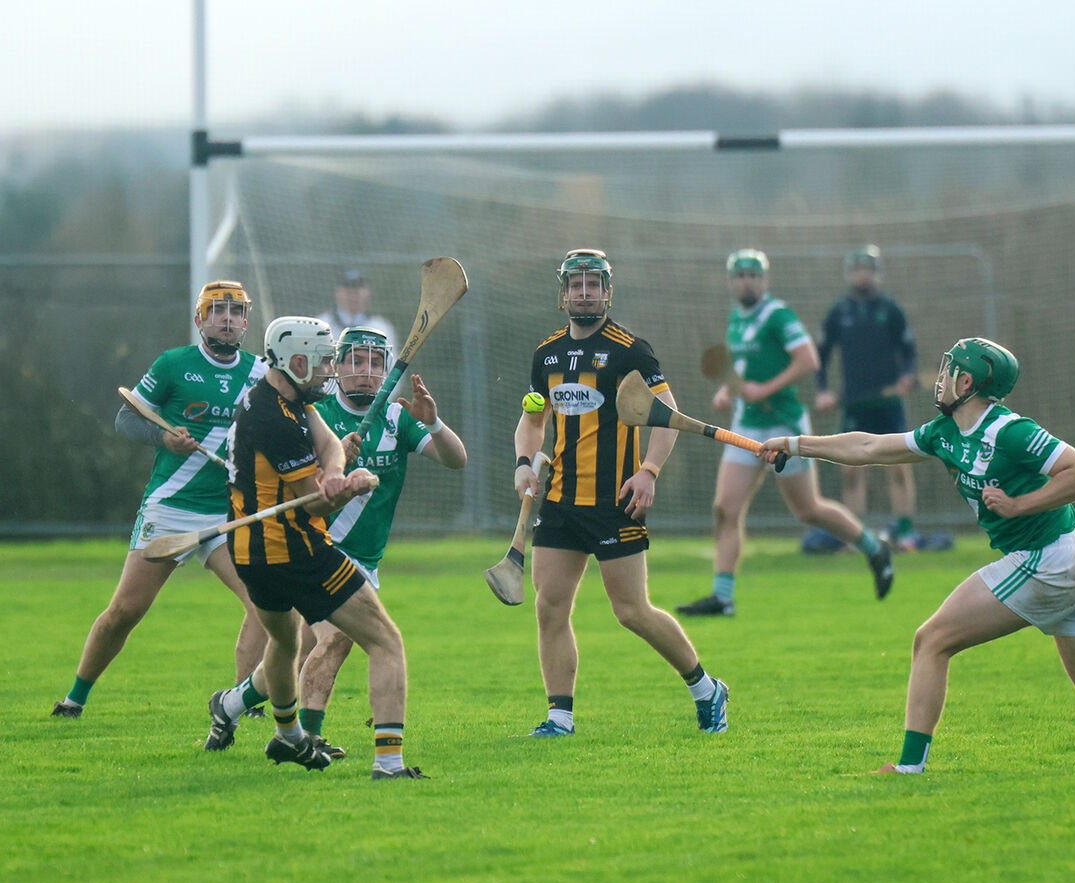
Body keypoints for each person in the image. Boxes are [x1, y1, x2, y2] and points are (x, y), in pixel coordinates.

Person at [759, 337, 1075, 773]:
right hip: (1069, 558)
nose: (941, 376)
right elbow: (869, 448)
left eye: (948, 369)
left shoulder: (1009, 431)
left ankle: (909, 769)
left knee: (931, 641)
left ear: (966, 382)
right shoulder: (943, 433)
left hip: (1050, 558)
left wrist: (1019, 505)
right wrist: (795, 444)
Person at [513, 248, 728, 737]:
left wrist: (649, 471)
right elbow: (533, 419)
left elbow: (667, 416)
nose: (584, 293)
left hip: (615, 502)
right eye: (575, 285)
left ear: (607, 292)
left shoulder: (631, 350)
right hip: (562, 501)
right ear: (563, 293)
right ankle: (559, 718)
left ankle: (706, 689)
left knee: (631, 612)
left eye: (593, 285)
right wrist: (524, 463)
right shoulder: (546, 354)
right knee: (550, 606)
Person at [203, 316, 425, 781]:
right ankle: (388, 763)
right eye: (323, 362)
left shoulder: (286, 396)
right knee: (385, 640)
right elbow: (315, 509)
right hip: (297, 551)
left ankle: (260, 721)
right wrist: (350, 487)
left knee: (283, 644)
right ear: (297, 361)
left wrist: (337, 471)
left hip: (250, 554)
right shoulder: (273, 419)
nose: (329, 370)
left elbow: (328, 445)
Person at [51, 281, 268, 718]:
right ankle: (75, 698)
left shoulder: (261, 373)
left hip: (227, 514)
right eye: (217, 310)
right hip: (170, 508)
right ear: (200, 319)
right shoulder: (174, 364)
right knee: (125, 611)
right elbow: (125, 418)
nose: (226, 318)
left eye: (235, 311)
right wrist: (163, 437)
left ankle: (248, 702)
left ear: (245, 321)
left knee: (263, 604)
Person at [677, 249, 893, 618]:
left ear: (765, 280)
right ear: (731, 281)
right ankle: (723, 596)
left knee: (808, 510)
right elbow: (738, 366)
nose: (747, 280)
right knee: (725, 508)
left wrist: (766, 389)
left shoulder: (777, 315)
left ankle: (873, 547)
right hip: (746, 426)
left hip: (784, 424)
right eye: (740, 274)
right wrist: (728, 391)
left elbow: (809, 359)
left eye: (753, 274)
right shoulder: (736, 319)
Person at [295, 327, 467, 759]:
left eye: (375, 363)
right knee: (334, 640)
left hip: (366, 561)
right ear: (336, 367)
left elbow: (456, 460)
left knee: (291, 658)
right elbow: (297, 492)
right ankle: (307, 741)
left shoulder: (396, 418)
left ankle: (233, 705)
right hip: (316, 548)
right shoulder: (315, 415)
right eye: (356, 361)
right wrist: (333, 464)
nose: (366, 372)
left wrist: (432, 422)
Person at [811, 245, 929, 552]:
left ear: (876, 274)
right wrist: (823, 389)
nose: (863, 275)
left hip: (889, 404)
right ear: (850, 274)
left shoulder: (890, 309)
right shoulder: (839, 312)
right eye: (857, 269)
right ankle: (856, 536)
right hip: (854, 403)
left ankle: (905, 532)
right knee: (850, 470)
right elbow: (819, 357)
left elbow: (910, 352)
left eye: (868, 269)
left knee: (900, 467)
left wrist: (907, 375)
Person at [318, 268, 398, 355]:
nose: (353, 295)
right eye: (348, 289)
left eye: (357, 290)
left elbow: (391, 363)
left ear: (367, 293)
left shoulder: (381, 328)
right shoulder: (321, 325)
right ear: (337, 293)